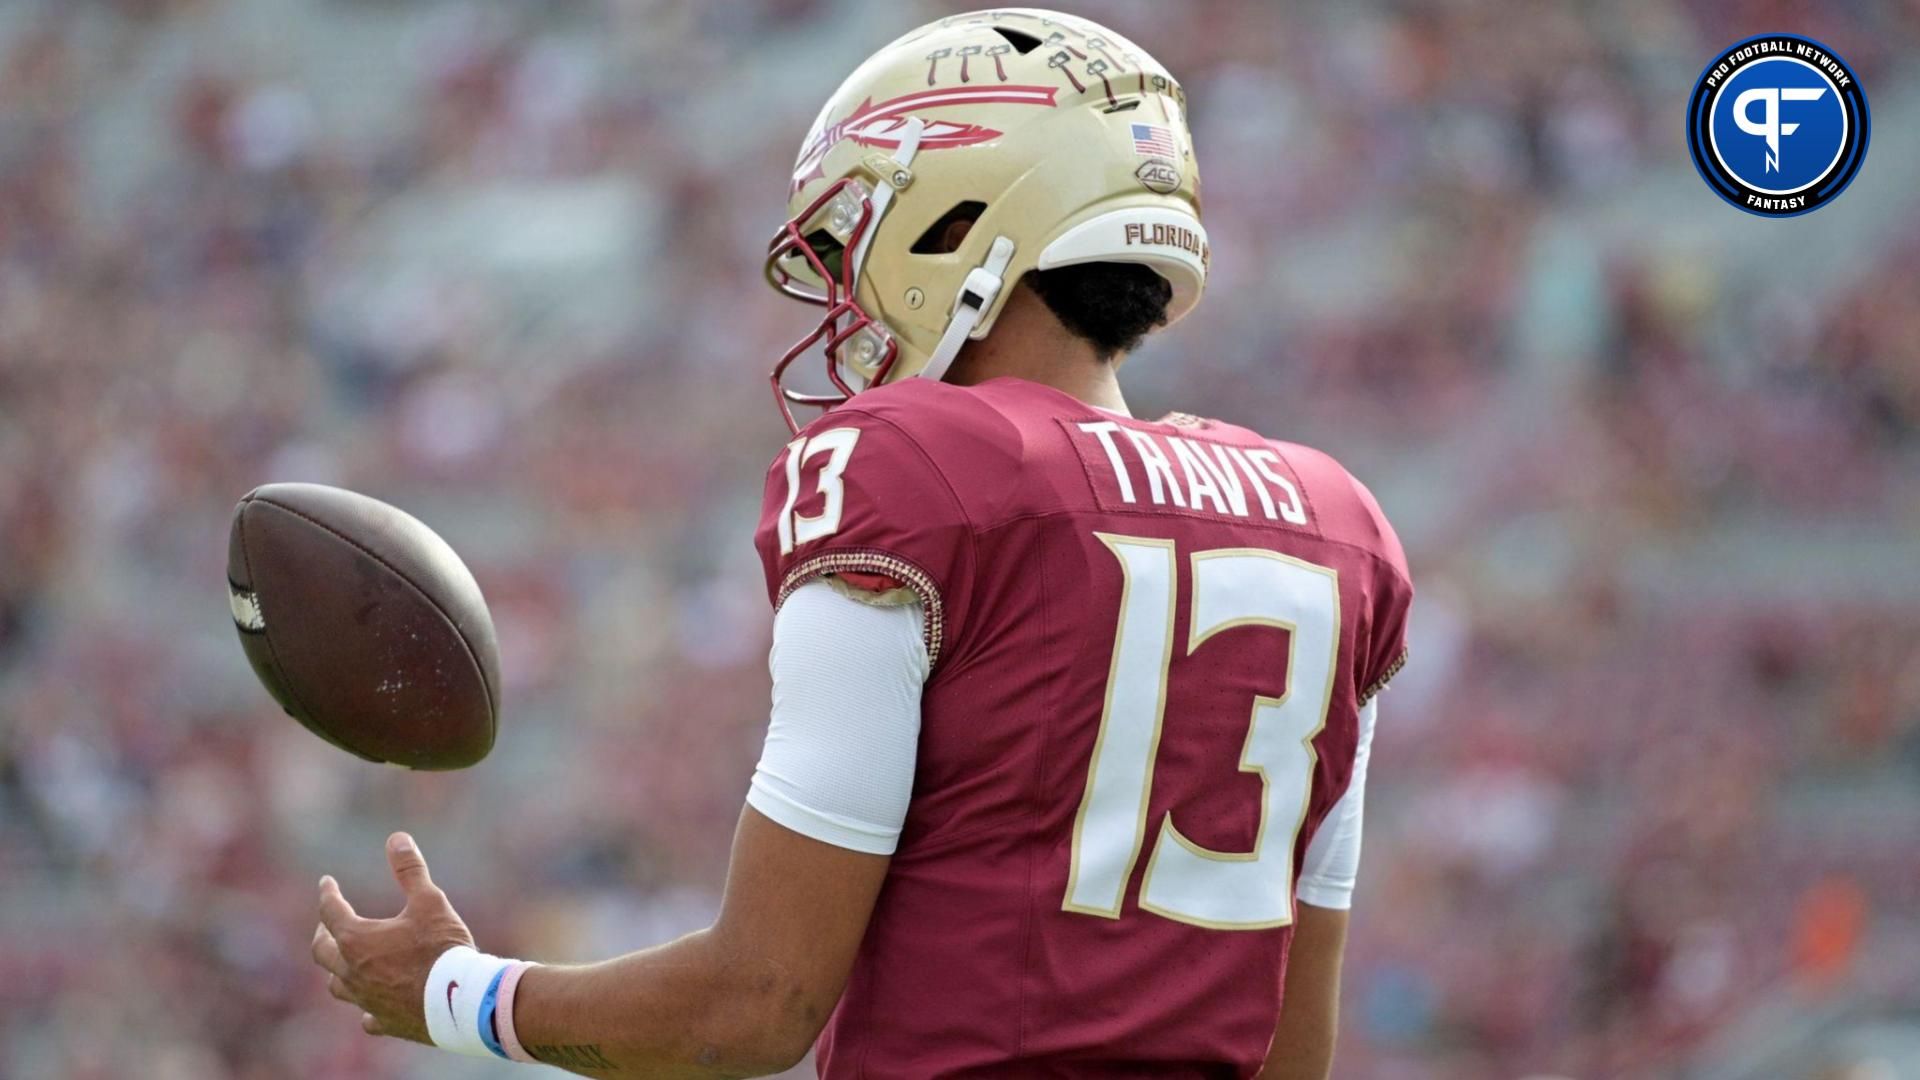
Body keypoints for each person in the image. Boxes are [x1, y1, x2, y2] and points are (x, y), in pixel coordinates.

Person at [309, 9, 1412, 1078]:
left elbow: (754, 1006)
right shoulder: (1333, 528)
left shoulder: (917, 468)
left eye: (854, 240)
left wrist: (458, 994)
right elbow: (1290, 1051)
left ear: (958, 220)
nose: (848, 292)